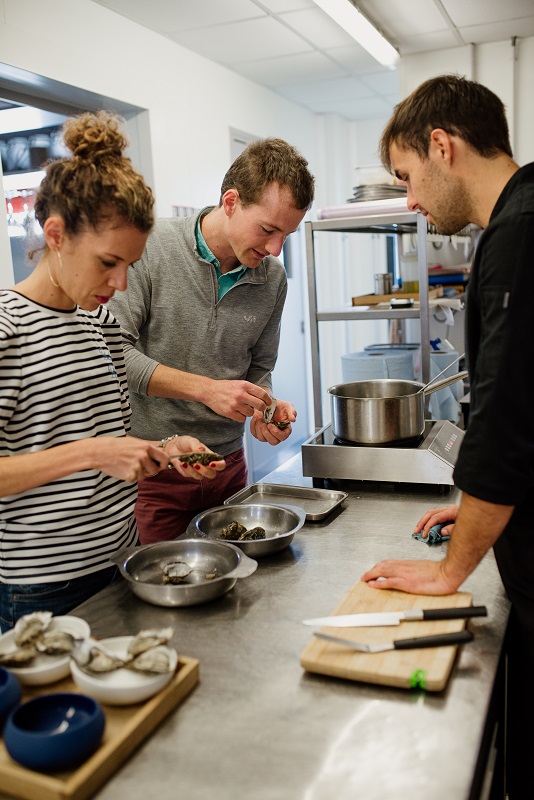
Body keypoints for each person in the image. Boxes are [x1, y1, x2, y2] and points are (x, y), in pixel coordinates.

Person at [360, 74, 534, 798]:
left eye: (407, 175)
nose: (409, 199)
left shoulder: (520, 231)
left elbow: (510, 421)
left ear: (443, 145)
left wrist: (448, 571)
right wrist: (476, 510)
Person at [0, 111, 224, 631]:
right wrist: (93, 454)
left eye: (131, 265)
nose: (121, 284)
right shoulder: (7, 327)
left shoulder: (100, 322)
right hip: (39, 588)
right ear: (56, 235)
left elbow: (105, 442)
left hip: (124, 562)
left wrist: (166, 453)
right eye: (107, 263)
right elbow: (89, 450)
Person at [109, 138, 315, 545]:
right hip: (154, 471)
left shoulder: (272, 277)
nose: (275, 249)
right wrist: (207, 390)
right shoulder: (150, 249)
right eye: (268, 229)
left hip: (228, 469)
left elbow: (259, 367)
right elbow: (114, 355)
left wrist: (265, 406)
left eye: (286, 235)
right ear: (232, 201)